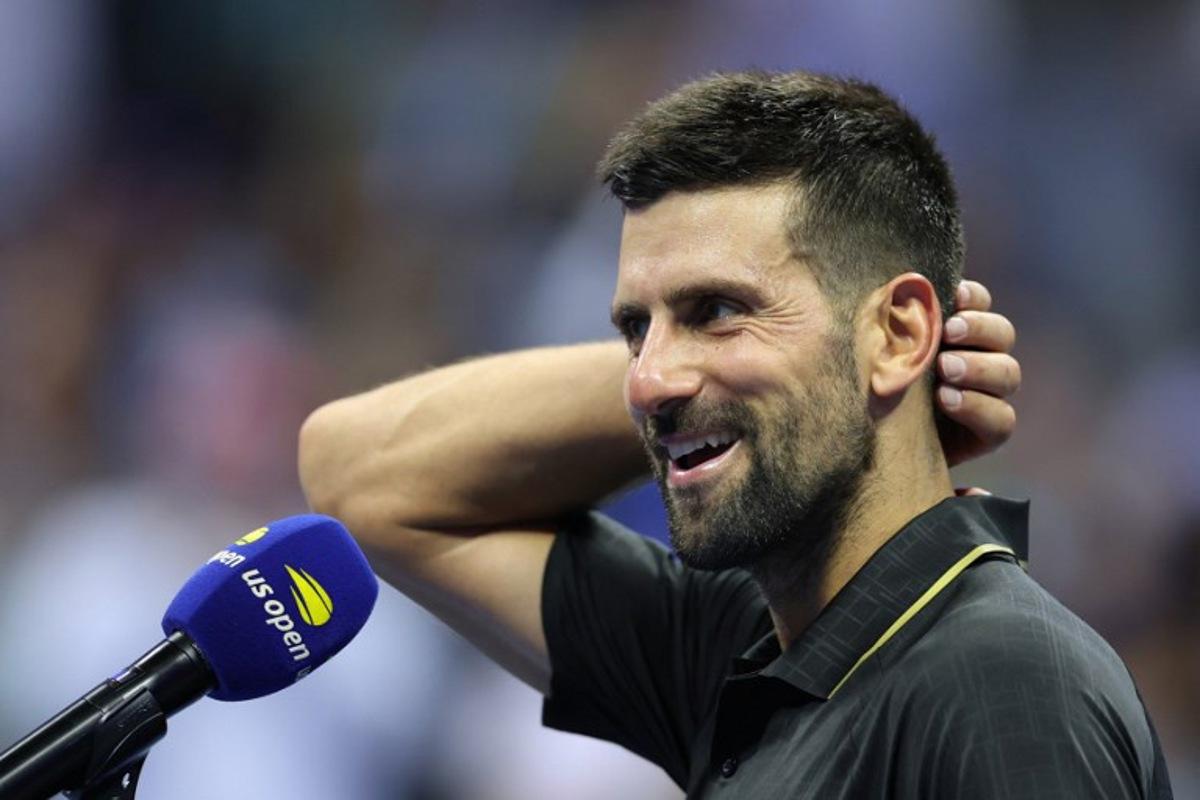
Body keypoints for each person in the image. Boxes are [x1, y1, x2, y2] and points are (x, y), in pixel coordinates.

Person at [299, 71, 1170, 797]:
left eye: (716, 309)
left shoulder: (998, 678)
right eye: (637, 327)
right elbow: (360, 477)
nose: (645, 379)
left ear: (900, 332)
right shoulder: (747, 658)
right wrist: (719, 376)